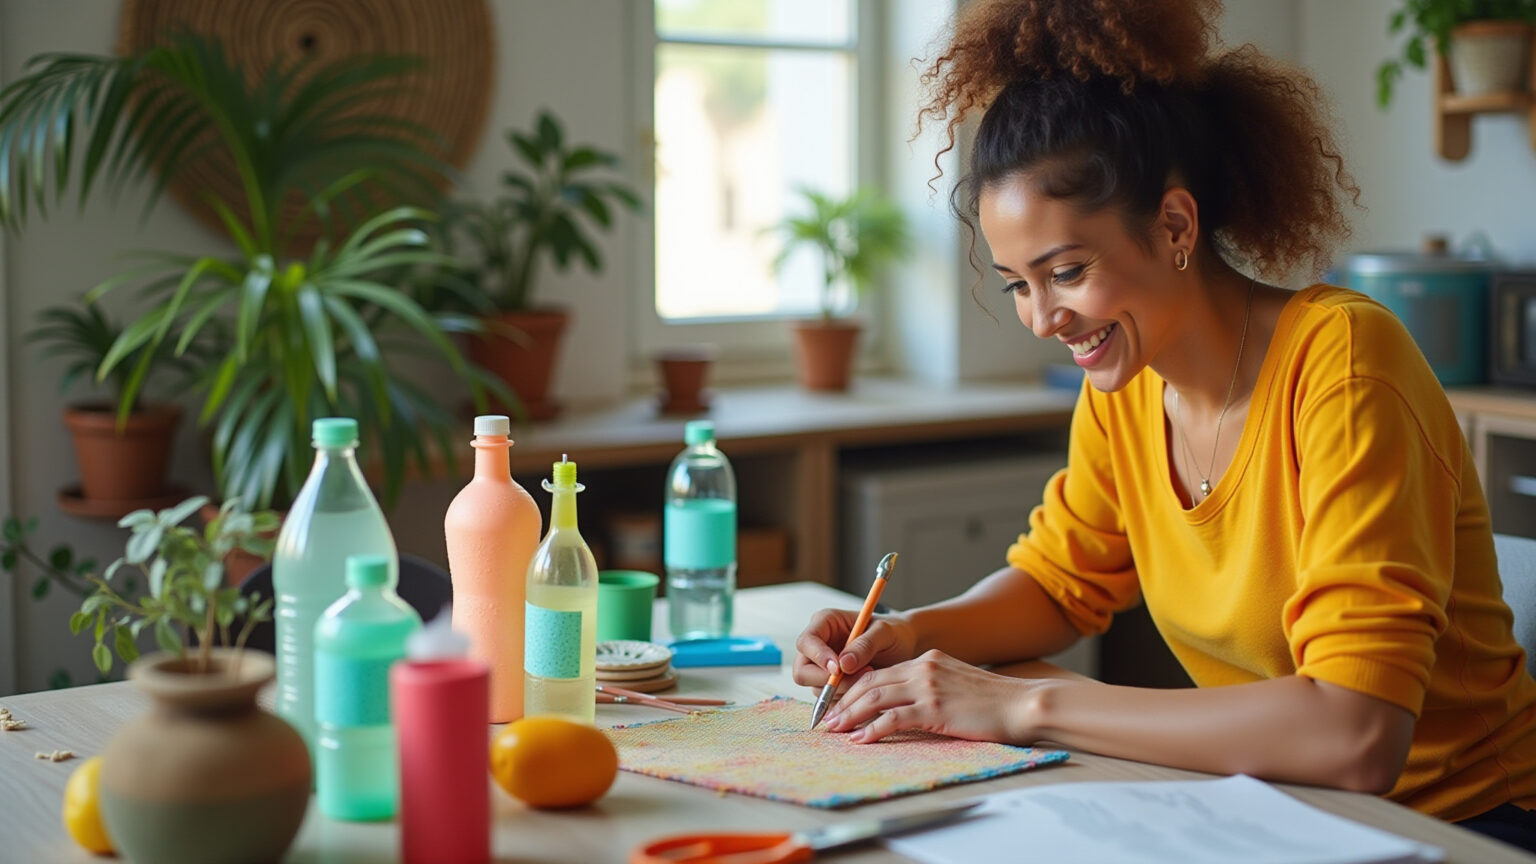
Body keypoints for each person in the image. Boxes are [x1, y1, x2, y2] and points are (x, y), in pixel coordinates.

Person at [792, 0, 1536, 850]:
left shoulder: (1345, 365)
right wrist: (906, 636)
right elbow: (1058, 585)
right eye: (1017, 284)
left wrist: (1022, 704)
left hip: (1466, 826)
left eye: (1066, 271)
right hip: (1277, 814)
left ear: (1176, 226)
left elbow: (1357, 732)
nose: (1042, 319)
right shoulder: (1125, 386)